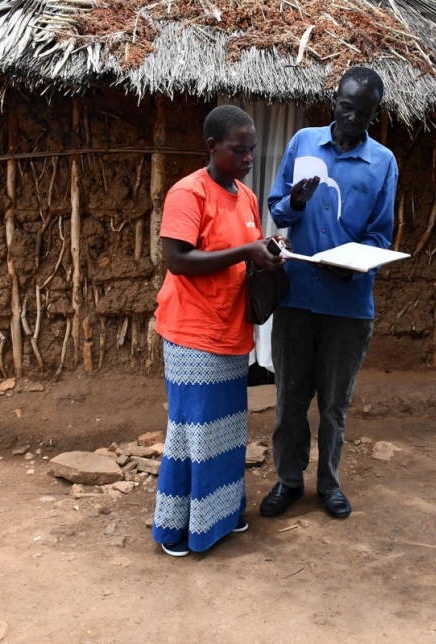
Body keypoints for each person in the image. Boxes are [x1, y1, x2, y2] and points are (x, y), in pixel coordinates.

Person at [260, 66, 398, 520]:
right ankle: (288, 481)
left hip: (348, 302)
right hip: (298, 297)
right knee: (290, 401)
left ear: (374, 114)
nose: (352, 118)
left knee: (335, 406)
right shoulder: (302, 144)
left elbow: (380, 236)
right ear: (333, 100)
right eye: (345, 106)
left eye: (363, 112)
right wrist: (295, 204)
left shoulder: (383, 163)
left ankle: (330, 485)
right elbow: (278, 210)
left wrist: (353, 266)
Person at [151, 104, 284, 556]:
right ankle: (178, 529)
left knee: (226, 431)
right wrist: (246, 250)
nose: (248, 158)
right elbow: (177, 259)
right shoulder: (189, 194)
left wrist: (266, 250)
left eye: (252, 150)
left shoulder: (244, 197)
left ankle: (221, 516)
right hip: (192, 334)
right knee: (193, 433)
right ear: (212, 147)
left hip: (230, 329)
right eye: (238, 150)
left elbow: (245, 252)